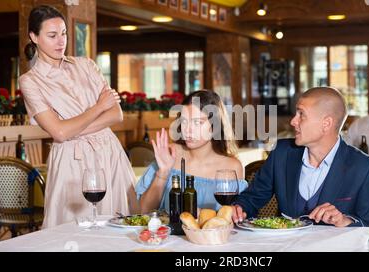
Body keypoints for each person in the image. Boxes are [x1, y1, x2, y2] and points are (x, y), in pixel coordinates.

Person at [19, 5, 138, 228]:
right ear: (34, 37)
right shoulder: (30, 81)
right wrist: (98, 107)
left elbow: (116, 114)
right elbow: (59, 132)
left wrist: (68, 129)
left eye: (63, 33)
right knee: (72, 233)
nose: (61, 41)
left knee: (120, 227)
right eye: (52, 35)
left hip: (109, 153)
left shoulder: (87, 65)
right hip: (71, 163)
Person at [232, 87, 369, 229]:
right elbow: (252, 197)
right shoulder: (282, 153)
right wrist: (240, 208)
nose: (293, 121)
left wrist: (346, 221)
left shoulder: (364, 167)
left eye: (301, 114)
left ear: (326, 123)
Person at [135, 90, 248, 213]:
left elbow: (233, 218)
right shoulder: (169, 154)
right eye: (184, 121)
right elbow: (142, 211)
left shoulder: (231, 166)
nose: (188, 130)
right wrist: (163, 173)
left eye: (197, 122)